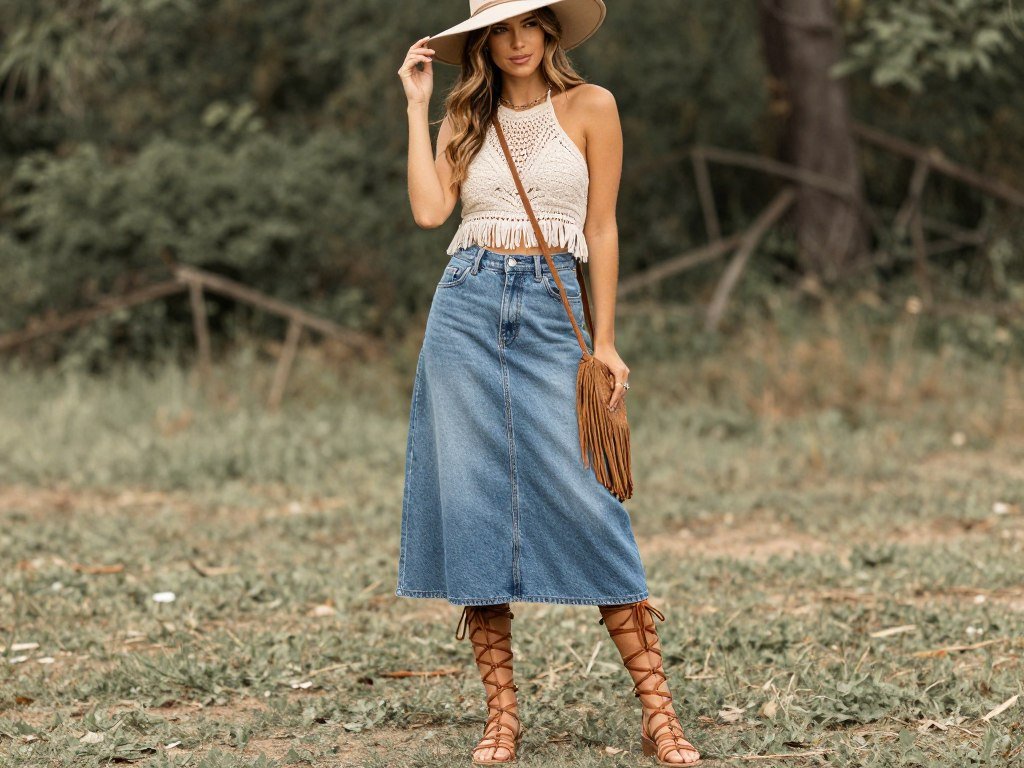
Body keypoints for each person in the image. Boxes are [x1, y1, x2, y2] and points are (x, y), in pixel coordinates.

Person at [395, 1, 701, 764]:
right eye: (501, 29)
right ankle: (502, 718)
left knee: (589, 499)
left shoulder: (592, 107)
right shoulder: (465, 119)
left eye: (529, 24)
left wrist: (605, 341)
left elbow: (601, 229)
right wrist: (417, 105)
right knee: (472, 504)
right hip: (465, 306)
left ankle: (659, 715)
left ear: (551, 31)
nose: (518, 40)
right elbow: (432, 213)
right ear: (485, 43)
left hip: (550, 307)